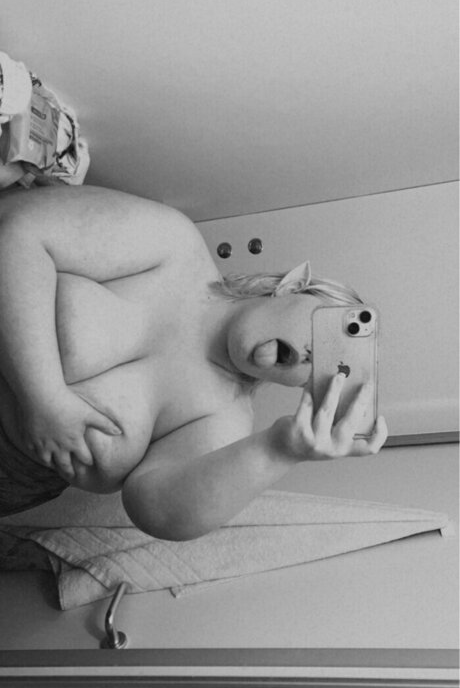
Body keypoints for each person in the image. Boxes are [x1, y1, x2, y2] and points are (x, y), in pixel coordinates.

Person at [0, 184, 388, 538]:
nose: (309, 356)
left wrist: (279, 449)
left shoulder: (225, 417)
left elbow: (154, 510)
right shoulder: (174, 246)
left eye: (322, 369)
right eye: (321, 333)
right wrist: (43, 398)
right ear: (293, 286)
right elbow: (18, 232)